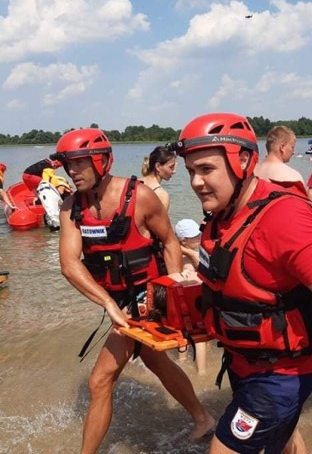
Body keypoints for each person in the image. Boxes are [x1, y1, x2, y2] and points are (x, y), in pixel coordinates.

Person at [172, 112, 312, 454]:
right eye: (191, 172)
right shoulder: (222, 215)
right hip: (244, 362)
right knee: (282, 439)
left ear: (243, 160)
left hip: (282, 373)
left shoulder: (283, 217)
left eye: (206, 169)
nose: (196, 182)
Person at [53, 128, 214, 454]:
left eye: (78, 164)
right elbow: (70, 264)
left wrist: (172, 299)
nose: (72, 172)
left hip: (146, 299)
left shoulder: (140, 196)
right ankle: (203, 418)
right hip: (118, 300)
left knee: (99, 382)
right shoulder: (71, 207)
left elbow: (170, 242)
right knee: (158, 362)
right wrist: (109, 304)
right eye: (68, 165)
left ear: (101, 161)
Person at [173, 218, 207, 375]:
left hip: (180, 302)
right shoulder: (190, 255)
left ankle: (182, 363)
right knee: (200, 337)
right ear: (184, 240)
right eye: (196, 237)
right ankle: (202, 371)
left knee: (182, 334)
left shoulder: (174, 251)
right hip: (191, 300)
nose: (199, 238)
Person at [253, 125, 305, 192]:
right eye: (292, 147)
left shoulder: (251, 172)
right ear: (282, 147)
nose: (293, 152)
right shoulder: (294, 177)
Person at [140, 146, 177, 212]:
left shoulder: (132, 182)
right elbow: (161, 222)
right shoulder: (162, 195)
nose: (174, 171)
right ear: (158, 166)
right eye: (171, 167)